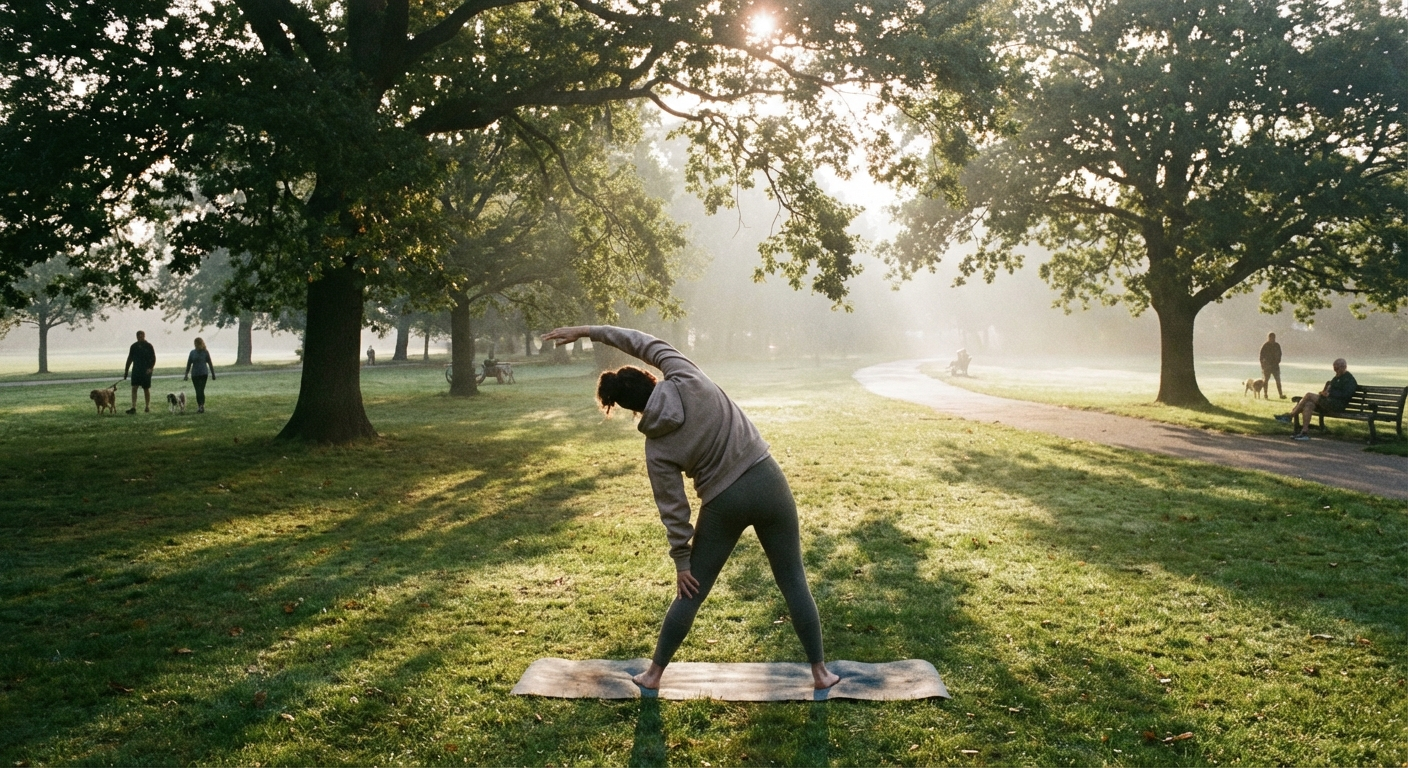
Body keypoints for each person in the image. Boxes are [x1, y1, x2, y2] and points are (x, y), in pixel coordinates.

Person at [541, 325, 840, 691]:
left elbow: (673, 507)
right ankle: (820, 673)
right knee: (792, 579)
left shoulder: (656, 447)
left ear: (632, 409)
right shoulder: (686, 376)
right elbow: (641, 342)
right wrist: (590, 331)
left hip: (722, 503)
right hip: (767, 482)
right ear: (652, 375)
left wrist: (682, 561)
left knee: (692, 591)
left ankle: (653, 674)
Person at [1277, 358, 1357, 440]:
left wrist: (1330, 394)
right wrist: (1324, 392)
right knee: (1309, 404)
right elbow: (1329, 390)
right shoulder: (1336, 378)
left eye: (1337, 368)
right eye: (1334, 368)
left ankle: (1290, 416)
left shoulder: (1349, 380)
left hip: (1337, 405)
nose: (1335, 371)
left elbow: (1346, 395)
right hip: (1327, 403)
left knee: (1309, 395)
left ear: (1344, 367)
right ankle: (1304, 433)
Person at [123, 330, 156, 414]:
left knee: (146, 388)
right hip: (136, 370)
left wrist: (150, 368)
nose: (140, 337)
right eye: (138, 336)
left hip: (146, 370)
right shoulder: (133, 346)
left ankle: (147, 406)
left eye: (142, 336)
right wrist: (126, 371)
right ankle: (133, 407)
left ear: (144, 336)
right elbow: (130, 359)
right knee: (134, 388)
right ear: (136, 337)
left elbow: (153, 358)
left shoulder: (149, 346)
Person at [183, 337, 216, 413]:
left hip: (203, 374)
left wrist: (213, 374)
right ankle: (200, 405)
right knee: (197, 390)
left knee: (201, 390)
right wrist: (186, 374)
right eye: (195, 343)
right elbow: (189, 364)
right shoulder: (192, 353)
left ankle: (201, 405)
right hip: (195, 374)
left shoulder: (205, 352)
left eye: (197, 343)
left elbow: (210, 363)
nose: (196, 345)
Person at [1259, 332, 1285, 399]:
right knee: (1266, 381)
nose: (1272, 339)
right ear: (1269, 338)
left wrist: (1278, 361)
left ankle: (1281, 394)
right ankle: (1265, 394)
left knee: (1278, 381)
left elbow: (1280, 354)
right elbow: (1261, 356)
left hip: (1275, 366)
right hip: (1267, 367)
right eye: (1271, 338)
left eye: (1273, 338)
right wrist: (1263, 365)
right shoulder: (1265, 346)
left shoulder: (1277, 345)